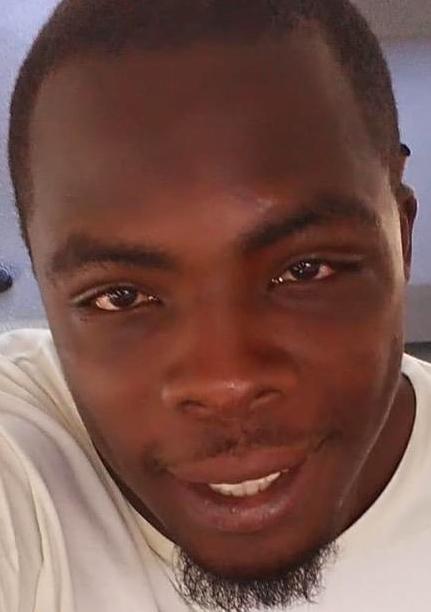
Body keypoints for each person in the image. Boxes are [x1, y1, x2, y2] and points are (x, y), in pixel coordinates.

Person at [1, 0, 429, 610]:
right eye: (122, 297)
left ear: (401, 236)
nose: (226, 382)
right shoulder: (21, 460)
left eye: (305, 270)